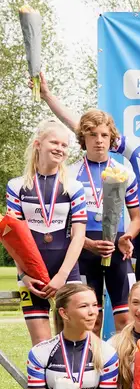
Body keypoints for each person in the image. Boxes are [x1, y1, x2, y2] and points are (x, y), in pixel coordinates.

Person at [38, 73, 140, 333]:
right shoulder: (133, 148)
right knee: (98, 315)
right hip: (127, 239)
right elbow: (84, 126)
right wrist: (48, 96)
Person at [6, 119, 87, 345]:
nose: (60, 148)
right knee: (41, 343)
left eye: (64, 145)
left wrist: (62, 276)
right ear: (38, 144)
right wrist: (23, 275)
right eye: (54, 142)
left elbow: (79, 236)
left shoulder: (74, 186)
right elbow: (12, 237)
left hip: (66, 271)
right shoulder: (16, 186)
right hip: (30, 274)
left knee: (74, 340)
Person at [71, 109, 140, 335]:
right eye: (92, 135)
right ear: (83, 138)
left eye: (104, 135)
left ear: (112, 138)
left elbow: (136, 219)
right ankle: (91, 359)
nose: (99, 140)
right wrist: (88, 244)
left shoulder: (124, 173)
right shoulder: (70, 174)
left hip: (117, 249)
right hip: (84, 250)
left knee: (126, 319)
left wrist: (127, 237)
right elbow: (65, 225)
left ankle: (123, 360)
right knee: (91, 321)